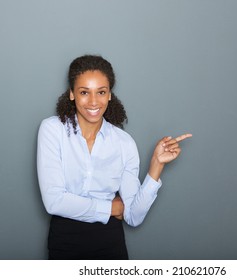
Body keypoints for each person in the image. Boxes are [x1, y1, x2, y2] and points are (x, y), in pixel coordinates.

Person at [37, 54, 192, 260]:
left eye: (101, 92)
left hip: (110, 243)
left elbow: (133, 216)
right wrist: (111, 208)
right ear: (72, 94)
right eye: (84, 92)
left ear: (109, 94)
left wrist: (156, 166)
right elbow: (54, 202)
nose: (93, 101)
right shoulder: (52, 130)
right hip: (65, 240)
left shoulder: (123, 142)